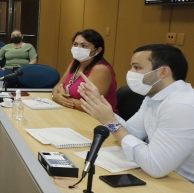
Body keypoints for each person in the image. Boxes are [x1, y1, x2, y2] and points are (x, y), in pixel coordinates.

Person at [79, 44, 194, 182]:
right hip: (169, 176)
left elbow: (156, 167)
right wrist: (101, 108)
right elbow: (132, 133)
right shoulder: (153, 96)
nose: (130, 72)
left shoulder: (181, 106)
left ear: (162, 72)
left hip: (185, 185)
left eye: (137, 67)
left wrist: (110, 122)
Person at [52, 29, 118, 113]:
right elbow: (58, 86)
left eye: (84, 46)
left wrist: (62, 99)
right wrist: (55, 95)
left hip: (100, 119)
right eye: (75, 44)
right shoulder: (75, 63)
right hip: (73, 112)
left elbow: (92, 105)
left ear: (97, 50)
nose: (78, 49)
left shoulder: (101, 69)